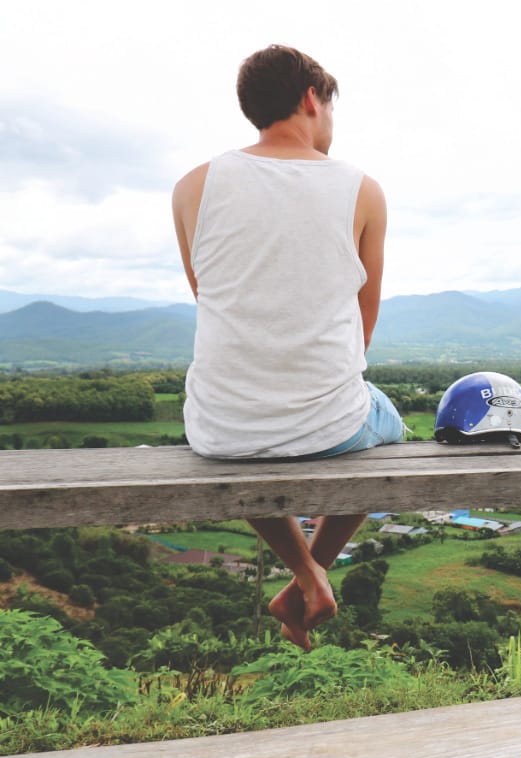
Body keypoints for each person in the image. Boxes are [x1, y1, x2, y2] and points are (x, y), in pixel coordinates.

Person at [171, 44, 405, 650]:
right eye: (330, 107)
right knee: (392, 427)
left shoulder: (193, 186)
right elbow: (365, 317)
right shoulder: (362, 190)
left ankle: (304, 577)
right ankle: (311, 574)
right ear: (311, 99)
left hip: (217, 427)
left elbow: (212, 298)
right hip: (332, 423)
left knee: (244, 432)